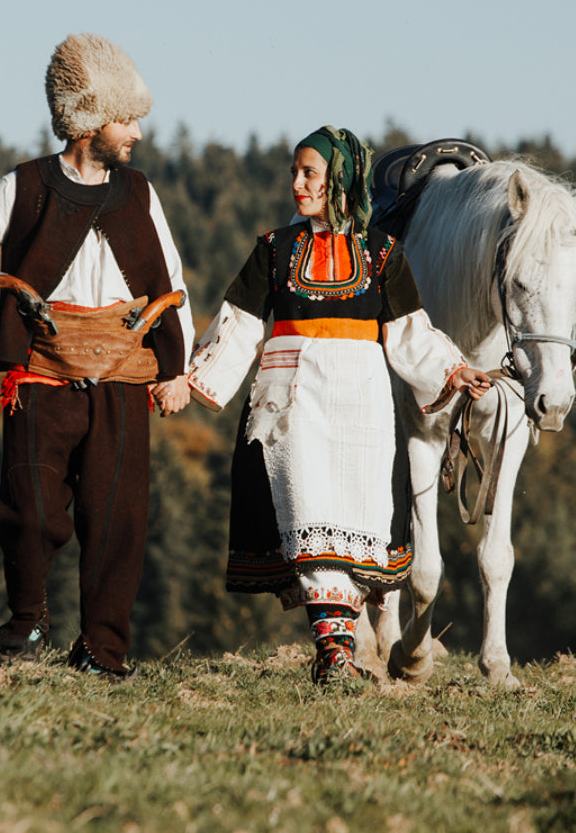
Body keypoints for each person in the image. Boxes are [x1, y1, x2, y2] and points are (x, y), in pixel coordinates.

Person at [0, 33, 194, 680]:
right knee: (29, 510)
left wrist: (179, 371)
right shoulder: (22, 187)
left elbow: (172, 281)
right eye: (125, 118)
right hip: (41, 375)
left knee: (118, 521)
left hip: (124, 379)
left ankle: (102, 652)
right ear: (86, 117)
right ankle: (27, 623)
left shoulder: (139, 193)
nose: (135, 132)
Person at [187, 126, 490, 685]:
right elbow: (239, 325)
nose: (297, 184)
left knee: (356, 523)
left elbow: (409, 334)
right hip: (294, 406)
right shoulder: (276, 250)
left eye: (310, 174)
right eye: (295, 173)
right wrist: (192, 380)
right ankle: (334, 656)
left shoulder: (382, 254)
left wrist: (453, 369)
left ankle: (338, 652)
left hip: (362, 409)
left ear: (341, 182)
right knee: (308, 516)